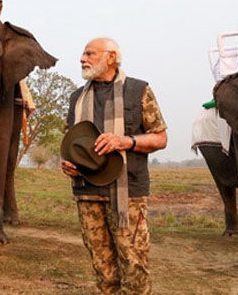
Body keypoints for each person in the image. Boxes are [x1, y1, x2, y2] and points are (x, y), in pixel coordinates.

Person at [60, 38, 167, 295]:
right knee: (102, 266)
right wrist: (65, 163)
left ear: (110, 57)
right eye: (83, 54)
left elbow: (160, 138)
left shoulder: (138, 90)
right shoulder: (77, 98)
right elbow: (69, 141)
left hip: (127, 193)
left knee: (134, 265)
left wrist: (125, 141)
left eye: (89, 53)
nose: (82, 59)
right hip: (87, 192)